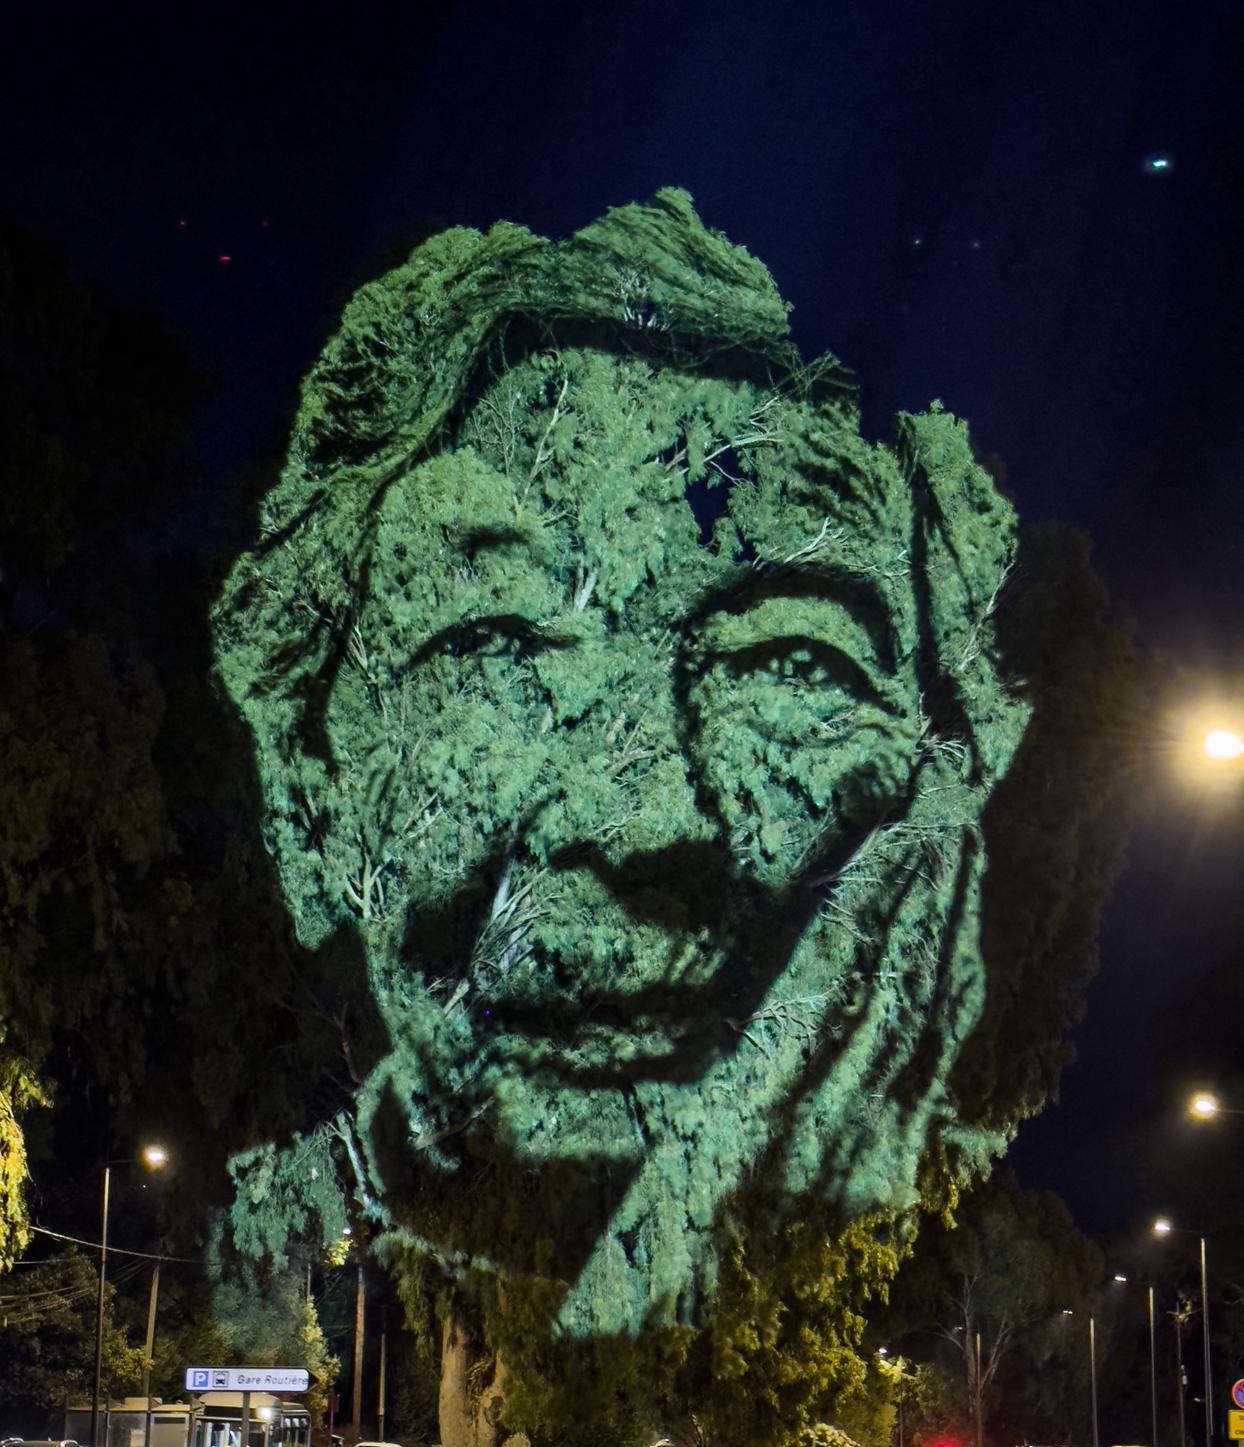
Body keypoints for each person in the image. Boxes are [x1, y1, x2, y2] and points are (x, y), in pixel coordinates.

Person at [217, 192, 1030, 1337]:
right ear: (308, 808)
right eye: (496, 644)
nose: (643, 817)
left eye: (791, 666)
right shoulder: (236, 1270)